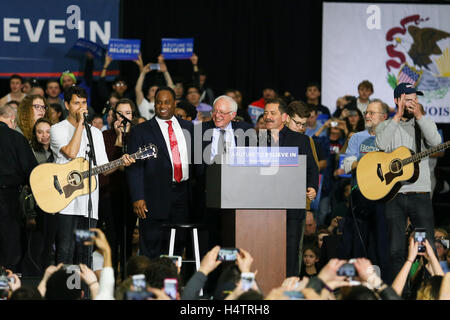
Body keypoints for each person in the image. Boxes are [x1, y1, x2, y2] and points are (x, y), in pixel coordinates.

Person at [50, 86, 134, 265]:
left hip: (88, 202)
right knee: (65, 250)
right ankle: (66, 292)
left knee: (85, 252)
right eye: (76, 103)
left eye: (83, 103)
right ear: (66, 105)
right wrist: (80, 124)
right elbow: (71, 152)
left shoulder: (95, 133)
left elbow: (103, 169)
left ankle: (85, 292)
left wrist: (121, 161)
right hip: (65, 201)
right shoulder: (57, 129)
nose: (81, 107)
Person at [375, 82, 442, 288]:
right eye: (408, 99)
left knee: (426, 246)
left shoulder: (423, 122)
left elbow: (436, 143)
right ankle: (399, 291)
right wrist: (396, 117)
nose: (413, 103)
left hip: (420, 195)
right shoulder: (386, 124)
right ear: (397, 100)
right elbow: (381, 145)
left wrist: (421, 116)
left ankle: (430, 290)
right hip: (394, 195)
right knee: (396, 250)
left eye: (415, 99)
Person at [126, 86, 194, 260]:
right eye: (159, 102)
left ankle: (173, 284)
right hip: (153, 197)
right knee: (152, 246)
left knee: (178, 245)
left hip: (183, 196)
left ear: (174, 104)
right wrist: (137, 197)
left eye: (167, 102)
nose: (162, 106)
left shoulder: (189, 127)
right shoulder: (141, 130)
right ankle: (151, 284)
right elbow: (135, 168)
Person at [263, 97, 318, 277]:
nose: (268, 117)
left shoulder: (301, 140)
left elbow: (312, 168)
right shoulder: (256, 139)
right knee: (267, 248)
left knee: (292, 250)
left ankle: (290, 287)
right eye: (266, 113)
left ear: (284, 116)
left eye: (273, 113)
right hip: (263, 208)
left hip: (292, 207)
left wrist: (312, 187)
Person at [341, 100, 390, 281]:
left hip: (383, 198)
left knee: (380, 246)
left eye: (372, 113)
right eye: (366, 112)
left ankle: (378, 285)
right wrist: (368, 163)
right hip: (359, 197)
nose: (367, 116)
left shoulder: (391, 139)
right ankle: (354, 285)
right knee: (356, 246)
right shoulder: (356, 137)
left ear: (384, 117)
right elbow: (347, 165)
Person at [99, 98, 138, 278]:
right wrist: (119, 138)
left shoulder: (138, 135)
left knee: (128, 236)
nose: (123, 118)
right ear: (114, 116)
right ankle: (111, 277)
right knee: (112, 237)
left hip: (130, 193)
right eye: (120, 114)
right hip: (109, 193)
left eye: (127, 113)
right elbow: (106, 166)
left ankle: (127, 278)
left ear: (133, 115)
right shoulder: (105, 136)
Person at [0, 104, 38, 272]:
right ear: (12, 120)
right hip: (9, 198)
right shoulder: (16, 138)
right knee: (10, 245)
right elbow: (32, 172)